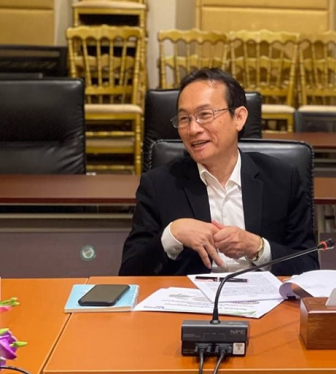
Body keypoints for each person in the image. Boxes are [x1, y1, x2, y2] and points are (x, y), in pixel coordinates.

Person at [119, 68, 318, 276]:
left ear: (239, 117)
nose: (193, 129)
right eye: (184, 118)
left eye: (205, 115)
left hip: (264, 294)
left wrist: (258, 248)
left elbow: (309, 266)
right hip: (190, 295)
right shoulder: (159, 185)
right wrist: (171, 235)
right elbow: (129, 273)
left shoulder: (282, 179)